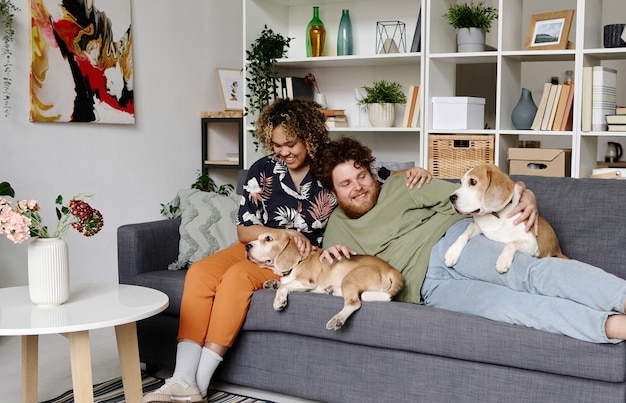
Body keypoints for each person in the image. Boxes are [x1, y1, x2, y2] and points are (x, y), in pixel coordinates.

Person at [143, 99, 431, 403]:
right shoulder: (263, 169)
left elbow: (375, 178)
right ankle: (182, 378)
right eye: (277, 144)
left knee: (238, 278)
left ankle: (197, 385)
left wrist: (414, 172)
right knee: (200, 272)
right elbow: (244, 229)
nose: (284, 151)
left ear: (309, 136)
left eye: (291, 143)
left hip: (297, 258)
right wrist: (285, 233)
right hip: (257, 244)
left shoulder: (328, 167)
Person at [312, 136, 626, 343]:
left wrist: (525, 194)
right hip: (427, 289)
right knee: (513, 308)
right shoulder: (336, 230)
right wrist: (333, 255)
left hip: (453, 243)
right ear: (332, 191)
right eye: (346, 184)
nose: (358, 187)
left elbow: (472, 195)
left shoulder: (401, 186)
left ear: (370, 171)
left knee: (529, 274)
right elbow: (326, 274)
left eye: (362, 176)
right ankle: (612, 327)